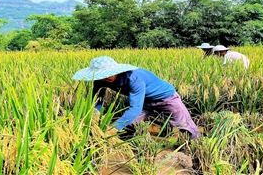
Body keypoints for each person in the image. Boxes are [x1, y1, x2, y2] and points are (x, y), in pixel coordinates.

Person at [72, 56, 201, 140]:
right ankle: (129, 146)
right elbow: (98, 101)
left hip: (166, 98)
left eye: (109, 75)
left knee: (184, 124)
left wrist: (113, 129)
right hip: (144, 100)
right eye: (102, 76)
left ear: (116, 71)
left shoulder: (134, 78)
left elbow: (135, 109)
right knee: (130, 125)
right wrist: (94, 117)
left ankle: (197, 144)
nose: (106, 78)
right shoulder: (100, 81)